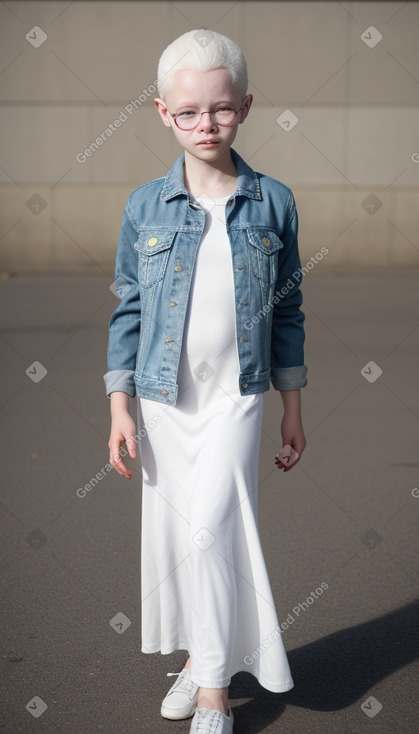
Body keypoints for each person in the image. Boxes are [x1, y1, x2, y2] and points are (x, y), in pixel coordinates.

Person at [103, 28, 308, 734]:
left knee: (208, 535)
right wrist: (119, 405)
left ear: (244, 107)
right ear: (162, 113)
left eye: (219, 109)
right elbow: (127, 309)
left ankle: (215, 692)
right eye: (187, 111)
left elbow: (288, 311)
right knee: (182, 539)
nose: (205, 124)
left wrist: (292, 406)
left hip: (237, 399)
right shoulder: (144, 207)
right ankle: (198, 660)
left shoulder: (273, 203)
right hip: (162, 403)